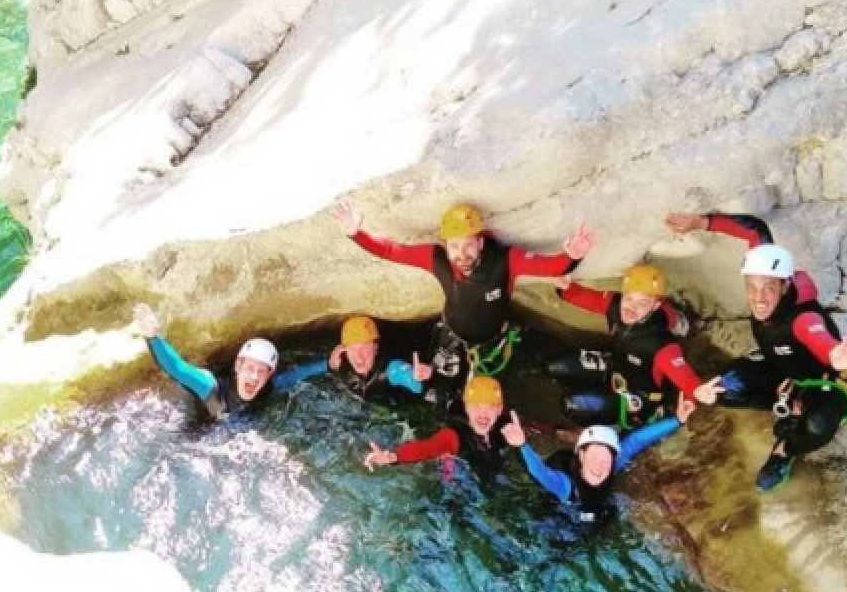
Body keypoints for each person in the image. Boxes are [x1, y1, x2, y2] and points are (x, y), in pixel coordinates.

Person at [664, 212, 847, 491]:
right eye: (752, 287)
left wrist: (834, 355)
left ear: (785, 285)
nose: (759, 298)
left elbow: (815, 334)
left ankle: (784, 449)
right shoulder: (767, 269)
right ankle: (786, 405)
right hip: (782, 368)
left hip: (825, 379)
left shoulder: (801, 318)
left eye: (769, 288)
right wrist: (700, 223)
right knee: (719, 389)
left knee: (818, 426)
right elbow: (756, 230)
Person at [334, 200, 596, 413]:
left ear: (481, 243)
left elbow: (548, 267)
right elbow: (392, 251)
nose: (462, 254)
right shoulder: (437, 259)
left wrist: (572, 255)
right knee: (438, 393)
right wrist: (356, 234)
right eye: (455, 247)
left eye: (469, 245)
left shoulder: (504, 261)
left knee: (488, 394)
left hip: (491, 340)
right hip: (451, 336)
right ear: (446, 246)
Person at [546, 263, 722, 429]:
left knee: (572, 404)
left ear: (655, 306)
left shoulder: (661, 344)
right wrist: (564, 286)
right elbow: (578, 295)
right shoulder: (615, 305)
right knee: (554, 366)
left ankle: (617, 425)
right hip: (616, 366)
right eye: (628, 298)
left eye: (642, 303)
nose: (631, 307)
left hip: (638, 395)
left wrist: (697, 391)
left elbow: (683, 376)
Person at [132, 304, 327, 430]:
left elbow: (300, 373)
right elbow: (178, 369)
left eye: (261, 372)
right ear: (238, 366)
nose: (254, 377)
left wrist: (329, 364)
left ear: (268, 376)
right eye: (250, 368)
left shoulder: (268, 386)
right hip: (200, 436)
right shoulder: (211, 388)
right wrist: (152, 337)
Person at [502, 397, 695, 524]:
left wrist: (677, 420)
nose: (600, 464)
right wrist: (522, 446)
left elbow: (636, 440)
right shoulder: (564, 485)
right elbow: (540, 472)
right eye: (594, 456)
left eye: (605, 457)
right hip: (557, 521)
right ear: (582, 455)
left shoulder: (611, 466)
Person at [362, 375, 514, 481]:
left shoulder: (507, 429)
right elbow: (427, 448)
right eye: (476, 407)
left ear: (500, 410)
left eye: (490, 407)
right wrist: (392, 457)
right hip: (457, 492)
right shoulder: (453, 435)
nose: (483, 414)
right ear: (466, 408)